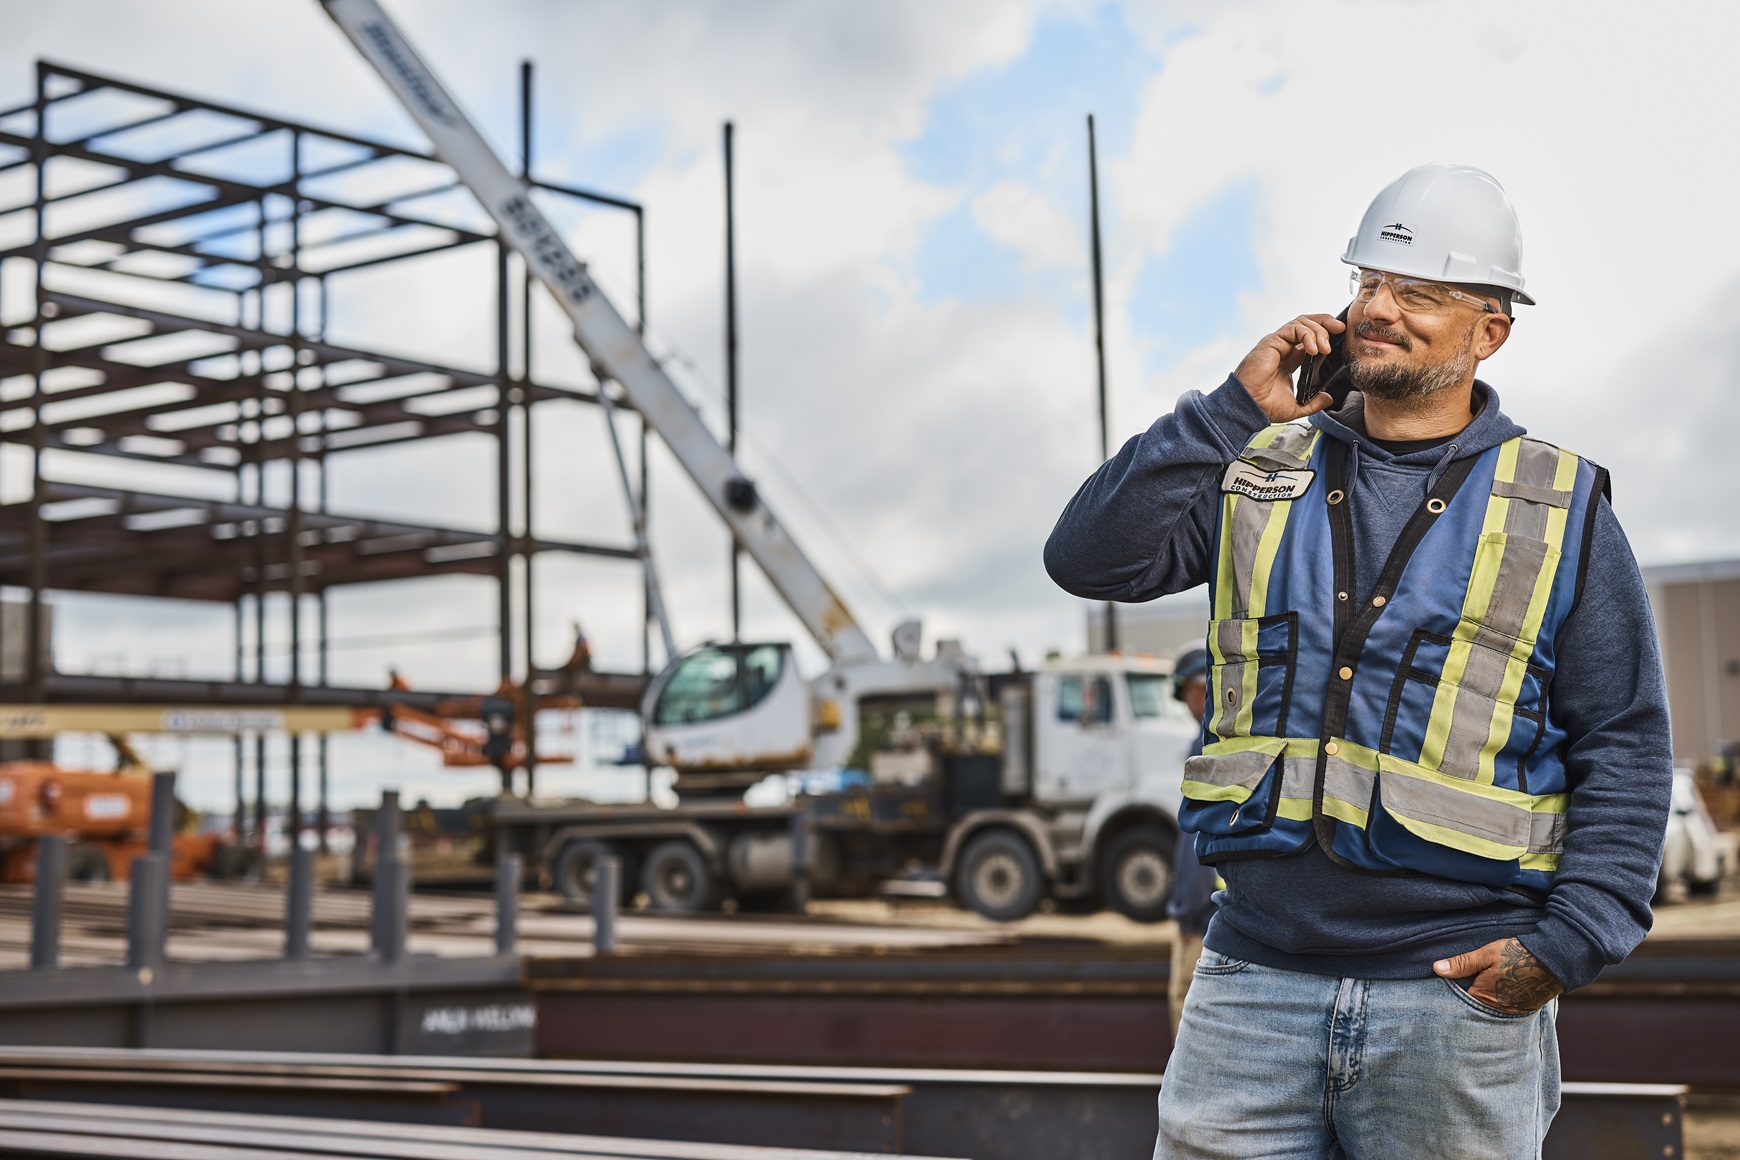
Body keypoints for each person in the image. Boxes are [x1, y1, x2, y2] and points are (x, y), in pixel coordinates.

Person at [1044, 164, 1671, 1158]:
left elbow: (1627, 740)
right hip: (1250, 982)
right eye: (1368, 280)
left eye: (1417, 292)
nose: (1378, 307)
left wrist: (1566, 944)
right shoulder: (1258, 466)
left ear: (1490, 328)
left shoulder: (1555, 506)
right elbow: (1086, 557)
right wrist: (1223, 414)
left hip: (1454, 1002)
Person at [1165, 646, 1217, 1042]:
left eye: (1185, 693)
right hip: (1219, 915)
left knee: (1187, 1012)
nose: (1185, 704)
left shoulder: (1206, 745)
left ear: (1200, 689)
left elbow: (1196, 843)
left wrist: (1188, 912)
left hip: (1204, 921)